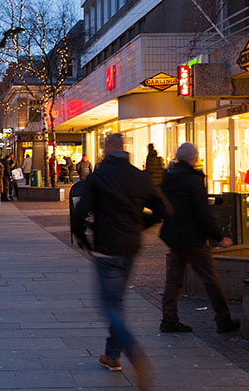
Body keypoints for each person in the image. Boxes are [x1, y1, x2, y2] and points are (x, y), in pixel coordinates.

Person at [72, 133, 172, 386]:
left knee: (109, 306)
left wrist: (83, 238)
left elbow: (79, 213)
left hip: (106, 249)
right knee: (117, 302)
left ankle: (132, 350)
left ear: (107, 150)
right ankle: (112, 355)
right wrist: (141, 224)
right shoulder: (139, 177)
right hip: (130, 248)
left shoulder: (98, 177)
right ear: (124, 150)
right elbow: (165, 210)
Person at [159, 142, 240, 334]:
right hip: (193, 237)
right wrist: (218, 236)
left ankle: (169, 319)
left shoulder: (169, 178)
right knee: (210, 279)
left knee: (173, 281)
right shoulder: (193, 180)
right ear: (194, 158)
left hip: (174, 237)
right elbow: (204, 212)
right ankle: (223, 319)